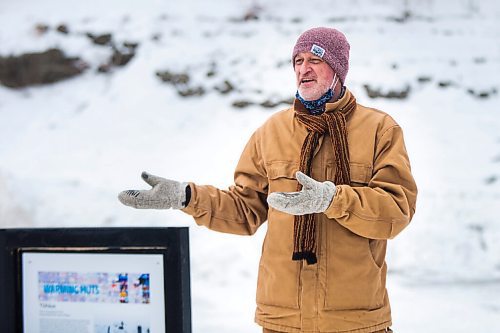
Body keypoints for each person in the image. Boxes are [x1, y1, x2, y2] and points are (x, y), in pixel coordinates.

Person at [119, 27, 417, 333]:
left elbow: (396, 211)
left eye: (315, 59)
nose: (304, 68)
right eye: (298, 61)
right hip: (282, 321)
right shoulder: (272, 131)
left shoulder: (380, 129)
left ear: (338, 68)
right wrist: (186, 197)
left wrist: (332, 199)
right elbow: (244, 210)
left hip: (357, 321)